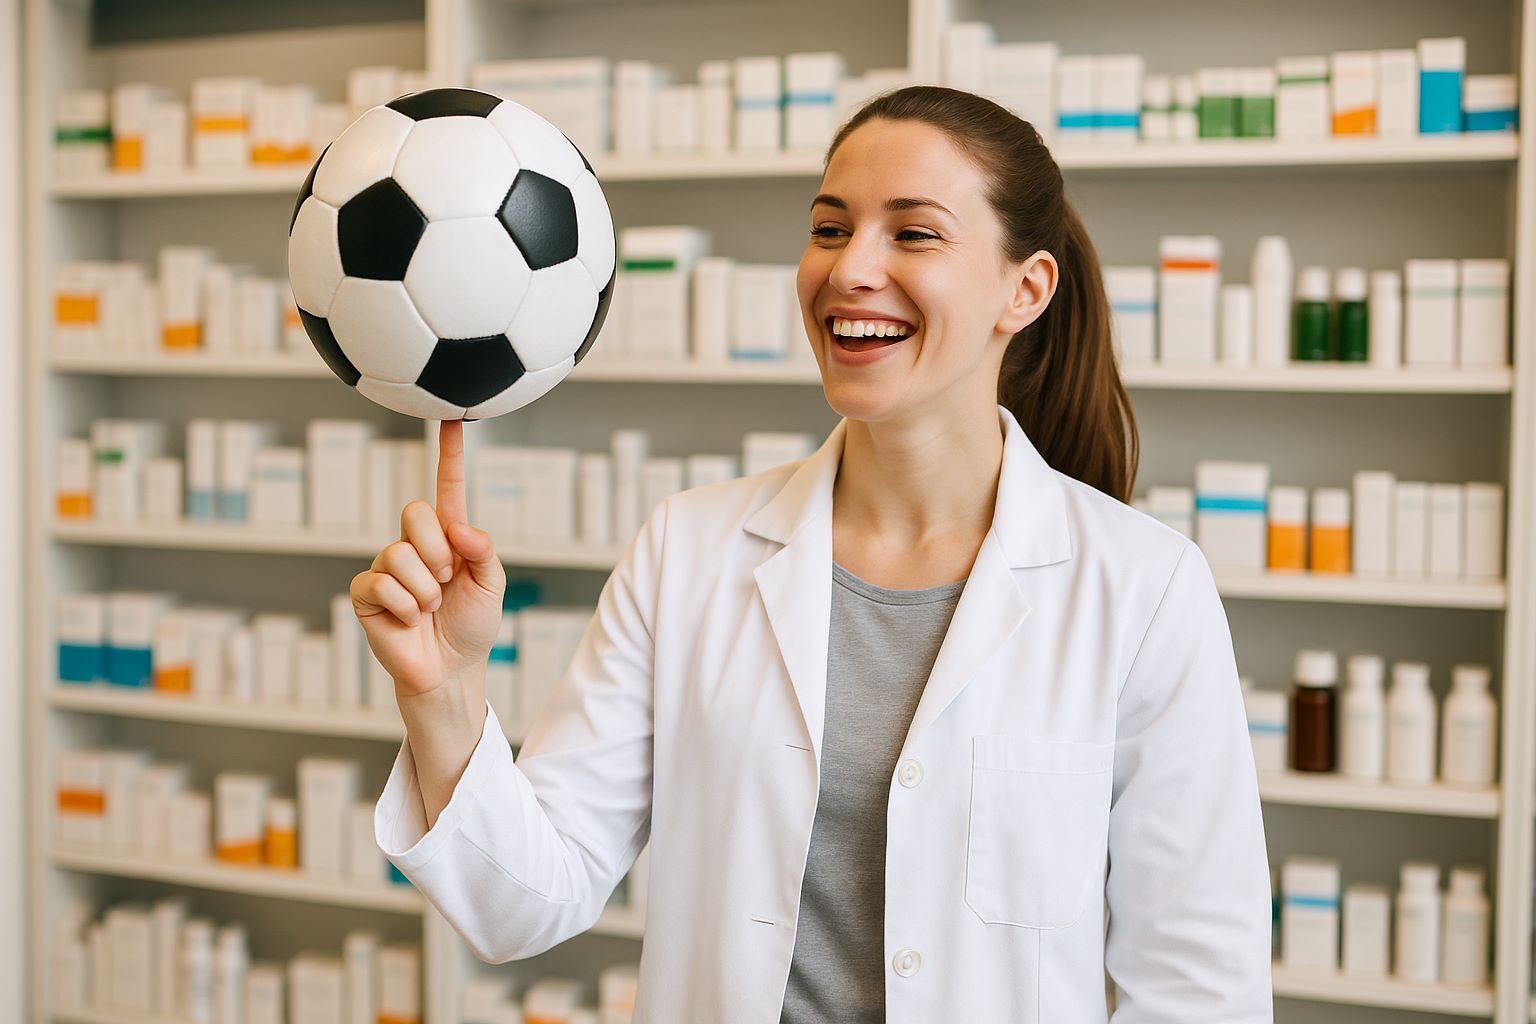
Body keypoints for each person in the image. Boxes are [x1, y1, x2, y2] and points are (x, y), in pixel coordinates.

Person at [356, 86, 1272, 1024]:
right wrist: (445, 693)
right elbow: (525, 904)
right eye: (831, 229)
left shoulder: (1144, 588)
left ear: (1024, 289)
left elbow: (1200, 991)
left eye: (913, 235)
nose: (851, 270)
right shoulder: (690, 550)